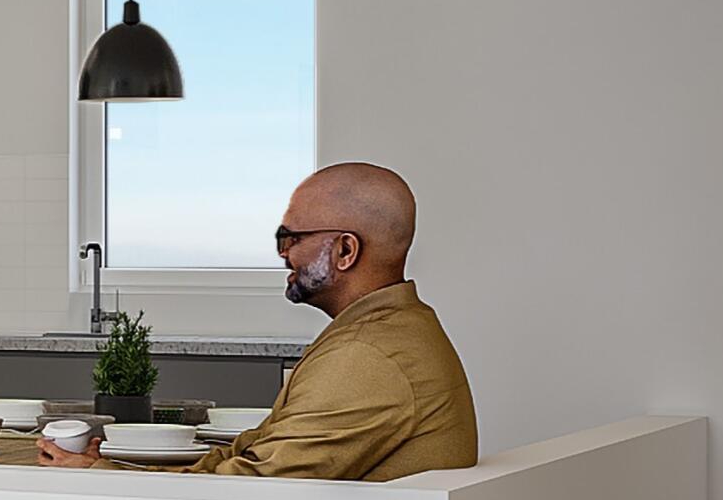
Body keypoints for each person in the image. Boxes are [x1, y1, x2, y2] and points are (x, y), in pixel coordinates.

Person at [42, 162, 478, 481]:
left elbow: (254, 494)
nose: (283, 253)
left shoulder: (367, 357)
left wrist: (100, 478)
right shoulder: (393, 330)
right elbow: (258, 454)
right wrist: (110, 468)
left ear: (346, 251)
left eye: (290, 238)